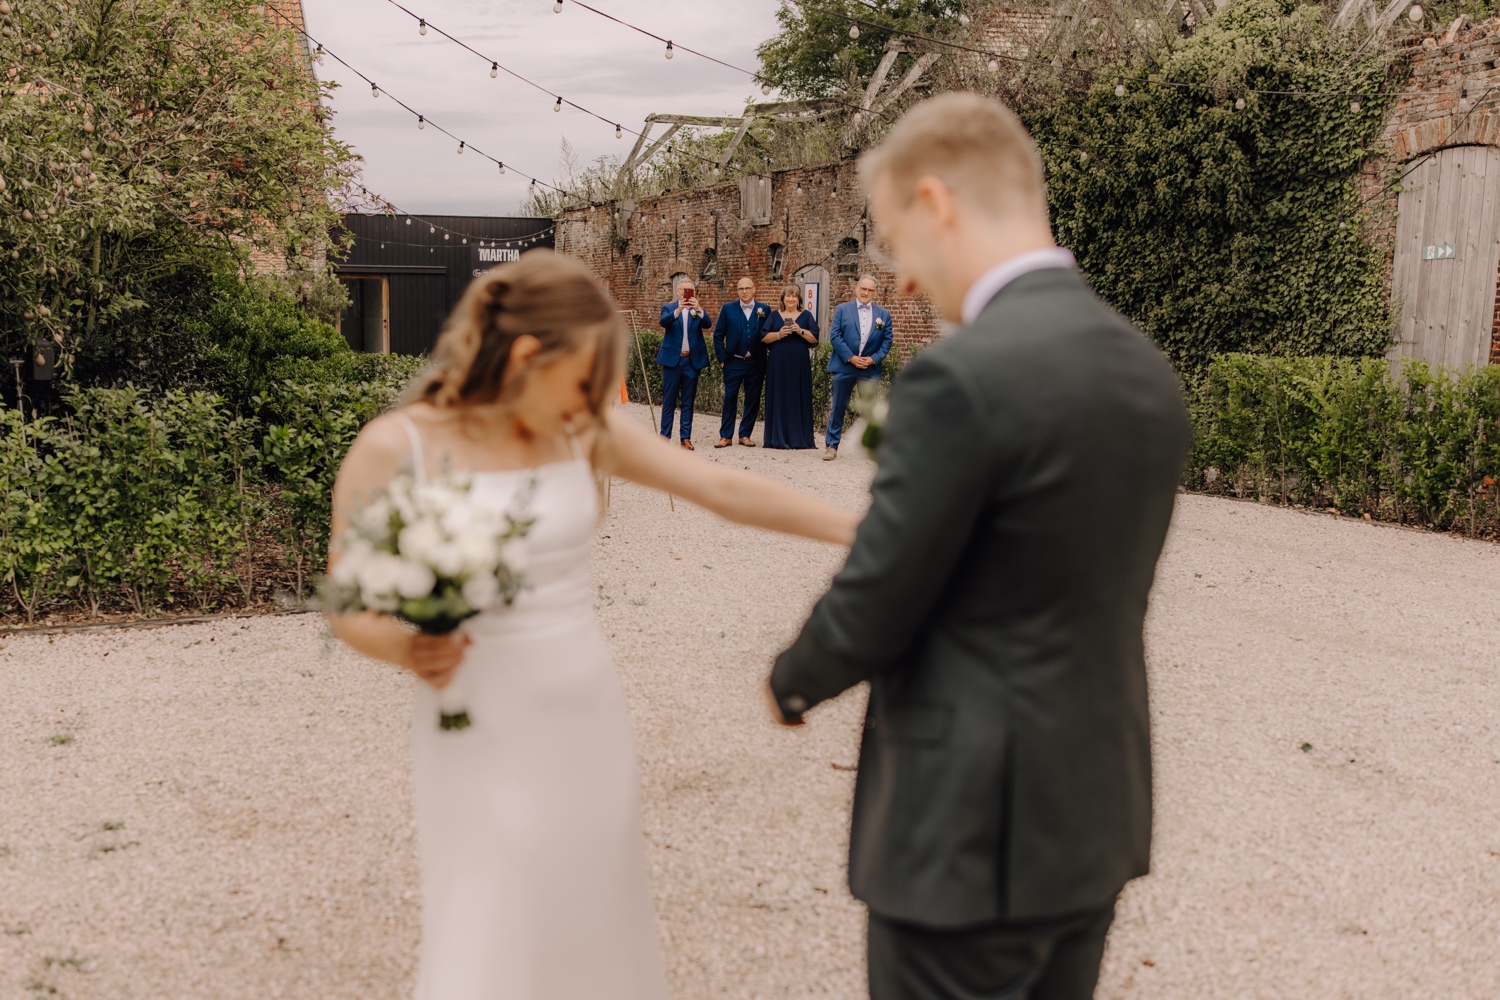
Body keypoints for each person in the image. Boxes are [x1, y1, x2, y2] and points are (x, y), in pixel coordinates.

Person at [328, 250, 858, 1000]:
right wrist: (408, 644)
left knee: (593, 902)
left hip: (584, 707)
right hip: (474, 713)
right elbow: (348, 602)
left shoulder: (580, 429)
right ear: (521, 357)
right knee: (494, 903)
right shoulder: (397, 446)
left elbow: (721, 488)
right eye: (583, 376)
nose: (592, 398)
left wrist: (866, 530)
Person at [765, 93, 1190, 1000]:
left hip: (965, 829)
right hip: (1093, 812)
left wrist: (796, 676)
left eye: (896, 240)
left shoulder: (960, 378)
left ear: (938, 203)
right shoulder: (1142, 365)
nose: (904, 280)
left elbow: (884, 589)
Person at [823, 274, 893, 460]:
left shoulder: (883, 314)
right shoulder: (842, 309)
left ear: (875, 292)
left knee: (870, 410)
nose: (866, 292)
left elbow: (887, 341)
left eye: (870, 290)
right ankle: (831, 446)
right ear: (857, 288)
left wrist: (873, 359)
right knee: (838, 406)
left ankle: (871, 449)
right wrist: (851, 358)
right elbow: (835, 336)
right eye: (863, 288)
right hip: (845, 366)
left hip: (869, 369)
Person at [712, 275, 771, 448]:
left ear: (754, 289)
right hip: (733, 362)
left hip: (755, 363)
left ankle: (745, 434)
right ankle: (726, 436)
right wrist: (723, 359)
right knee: (730, 398)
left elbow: (768, 335)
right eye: (741, 289)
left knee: (752, 399)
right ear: (737, 291)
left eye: (747, 288)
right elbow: (717, 335)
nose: (744, 291)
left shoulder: (764, 309)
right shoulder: (728, 309)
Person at [759, 284, 818, 450]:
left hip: (799, 363)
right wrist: (779, 334)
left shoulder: (806, 316)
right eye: (788, 296)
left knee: (797, 395)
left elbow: (815, 338)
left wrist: (800, 331)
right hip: (778, 363)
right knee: (779, 395)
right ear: (783, 298)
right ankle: (777, 437)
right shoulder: (774, 315)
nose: (791, 299)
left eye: (794, 296)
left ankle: (799, 438)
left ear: (799, 299)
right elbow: (763, 337)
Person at [656, 276, 711, 450]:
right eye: (684, 290)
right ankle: (664, 437)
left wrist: (699, 309)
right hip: (673, 360)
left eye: (691, 290)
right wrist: (678, 310)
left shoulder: (697, 310)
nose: (687, 293)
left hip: (691, 361)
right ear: (678, 291)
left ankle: (685, 438)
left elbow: (708, 324)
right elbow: (663, 322)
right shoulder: (669, 308)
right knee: (669, 401)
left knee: (688, 401)